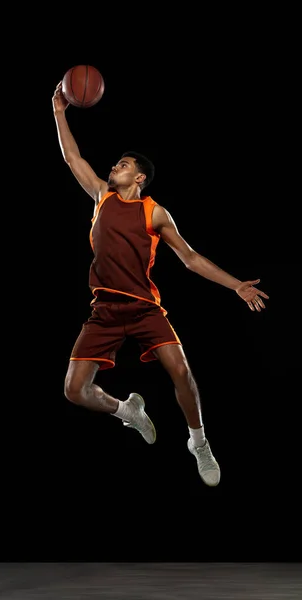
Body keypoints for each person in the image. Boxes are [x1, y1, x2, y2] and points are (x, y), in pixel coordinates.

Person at [52, 81, 269, 487]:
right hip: (105, 309)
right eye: (115, 163)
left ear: (140, 178)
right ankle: (127, 411)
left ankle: (198, 442)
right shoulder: (101, 196)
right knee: (74, 391)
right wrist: (59, 112)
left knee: (182, 372)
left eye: (123, 164)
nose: (114, 166)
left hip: (144, 308)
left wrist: (236, 284)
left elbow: (189, 257)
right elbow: (72, 158)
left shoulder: (155, 213)